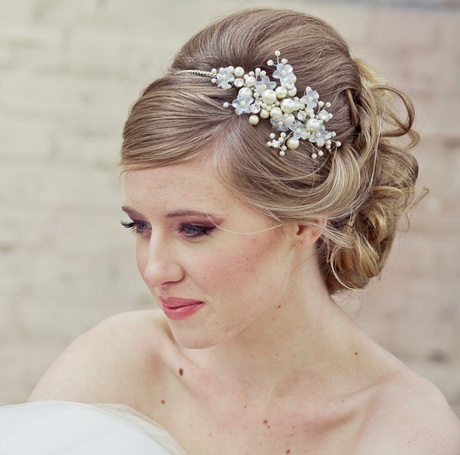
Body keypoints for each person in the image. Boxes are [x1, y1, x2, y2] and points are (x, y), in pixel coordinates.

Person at [1, 7, 459, 454]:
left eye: (195, 229)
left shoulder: (403, 432)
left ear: (304, 222)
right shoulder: (115, 366)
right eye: (138, 225)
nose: (155, 269)